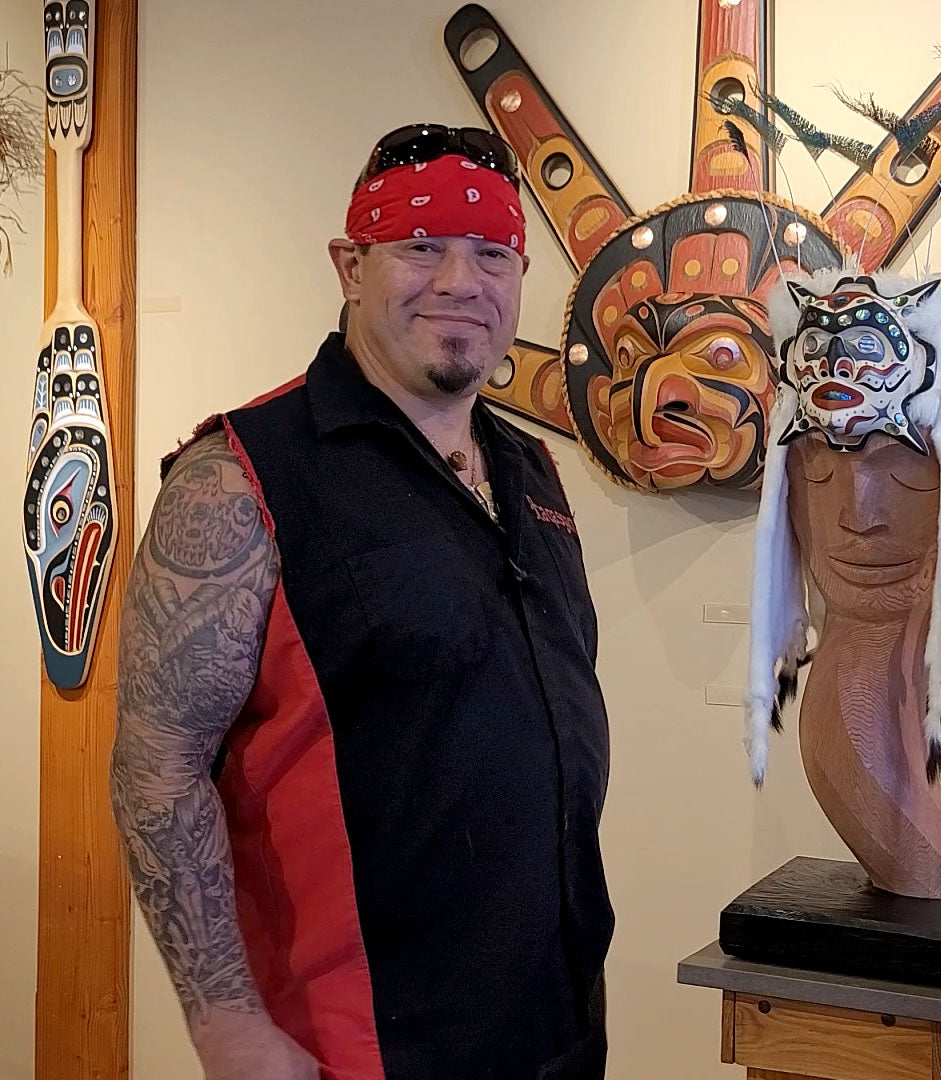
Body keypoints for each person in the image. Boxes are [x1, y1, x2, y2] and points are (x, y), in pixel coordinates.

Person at [110, 124, 614, 1080]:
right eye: (422, 246)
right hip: (361, 1049)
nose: (462, 281)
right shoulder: (242, 479)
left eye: (492, 253)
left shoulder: (531, 470)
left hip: (555, 1033)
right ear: (350, 265)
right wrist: (227, 1029)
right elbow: (157, 768)